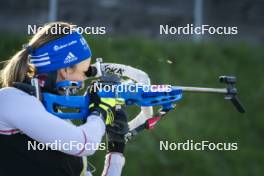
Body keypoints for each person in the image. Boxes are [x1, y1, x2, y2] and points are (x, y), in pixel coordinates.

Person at [0, 22, 128, 176]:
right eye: (85, 72)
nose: (84, 80)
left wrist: (116, 149)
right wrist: (99, 111)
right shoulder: (10, 99)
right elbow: (83, 144)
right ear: (66, 69)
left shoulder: (57, 118)